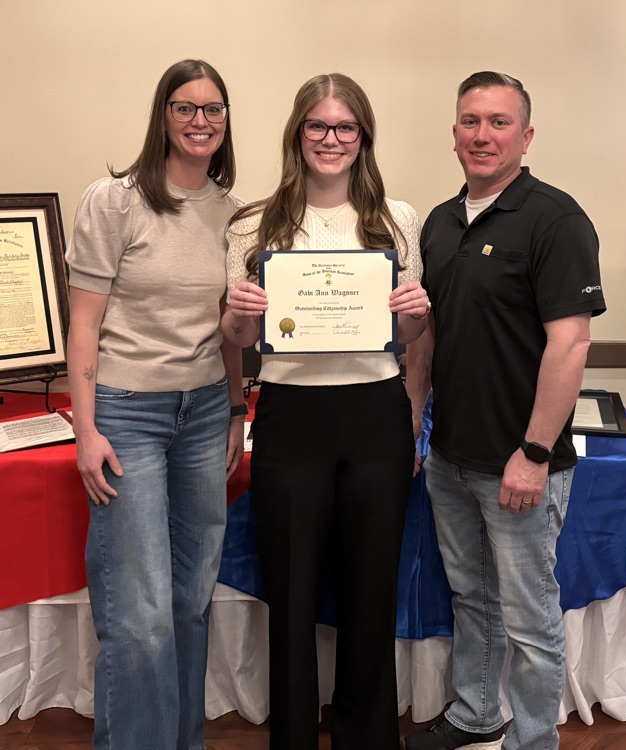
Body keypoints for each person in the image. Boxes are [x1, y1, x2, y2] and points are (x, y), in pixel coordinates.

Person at [221, 73, 429, 750]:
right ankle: (293, 738)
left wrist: (418, 318)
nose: (331, 139)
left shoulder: (398, 217)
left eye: (345, 127)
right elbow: (243, 341)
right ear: (298, 133)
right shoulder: (255, 221)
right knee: (293, 593)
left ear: (362, 137)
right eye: (318, 126)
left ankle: (367, 737)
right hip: (290, 416)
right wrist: (236, 317)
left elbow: (408, 338)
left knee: (371, 594)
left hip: (374, 415)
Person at [403, 72, 606, 750]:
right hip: (451, 459)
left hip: (522, 464)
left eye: (497, 122)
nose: (482, 135)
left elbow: (571, 341)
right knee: (472, 600)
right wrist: (412, 426)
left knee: (530, 619)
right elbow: (426, 337)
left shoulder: (555, 219)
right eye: (470, 121)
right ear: (454, 132)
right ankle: (474, 715)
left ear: (526, 135)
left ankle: (534, 741)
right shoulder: (438, 222)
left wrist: (536, 453)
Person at [65, 59, 245, 750]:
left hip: (201, 415)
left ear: (227, 122)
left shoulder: (234, 214)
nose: (200, 121)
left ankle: (183, 740)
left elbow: (230, 328)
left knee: (191, 600)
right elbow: (84, 323)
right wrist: (86, 429)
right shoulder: (112, 202)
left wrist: (233, 409)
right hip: (126, 413)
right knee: (139, 612)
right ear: (162, 116)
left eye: (213, 109)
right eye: (185, 107)